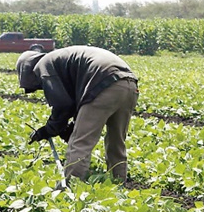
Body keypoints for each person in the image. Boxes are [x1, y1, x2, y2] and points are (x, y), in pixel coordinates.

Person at [17, 45, 139, 184]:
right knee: (116, 142)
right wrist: (68, 125)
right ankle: (118, 184)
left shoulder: (43, 65)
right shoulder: (61, 59)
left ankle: (71, 188)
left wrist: (49, 129)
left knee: (80, 143)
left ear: (28, 70)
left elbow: (63, 105)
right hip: (129, 84)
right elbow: (74, 100)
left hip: (104, 84)